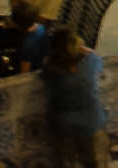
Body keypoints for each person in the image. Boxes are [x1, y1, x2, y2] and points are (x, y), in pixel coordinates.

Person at [37, 24, 110, 168]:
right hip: (92, 123)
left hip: (63, 127)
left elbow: (45, 73)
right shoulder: (89, 61)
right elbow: (99, 61)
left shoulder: (50, 69)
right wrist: (87, 51)